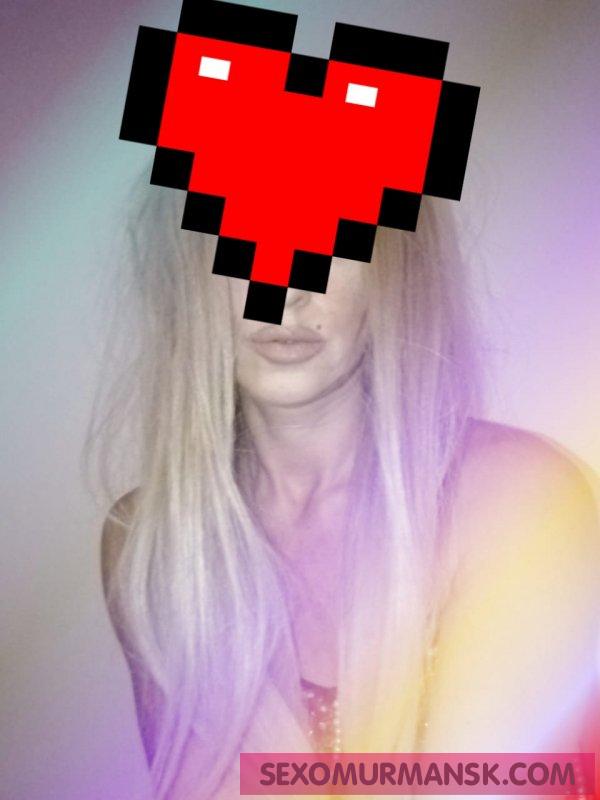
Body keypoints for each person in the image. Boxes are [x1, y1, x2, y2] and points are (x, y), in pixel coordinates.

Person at [95, 175, 600, 800]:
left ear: (394, 260)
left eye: (330, 234)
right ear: (185, 262)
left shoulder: (524, 502)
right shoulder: (149, 548)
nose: (285, 287)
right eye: (239, 231)